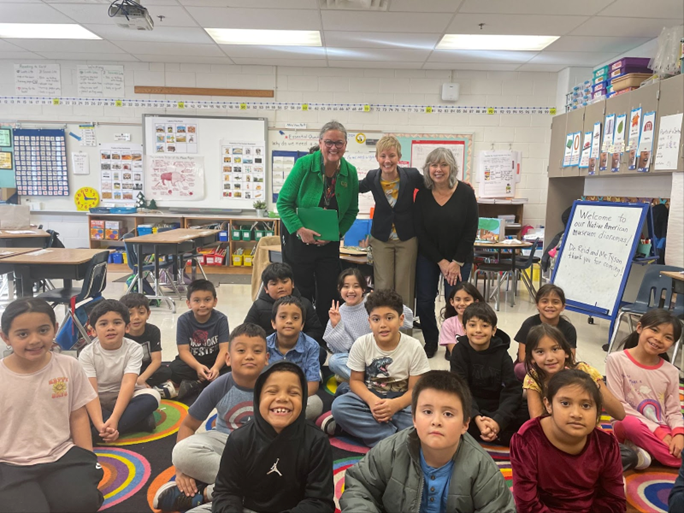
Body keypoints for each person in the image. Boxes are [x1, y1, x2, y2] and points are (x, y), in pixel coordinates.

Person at [340, 370, 515, 513]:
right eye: (427, 411)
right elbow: (359, 487)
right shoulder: (390, 450)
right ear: (414, 418)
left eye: (448, 414)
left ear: (465, 424)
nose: (436, 421)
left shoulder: (482, 468)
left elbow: (500, 509)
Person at [0, 298, 104, 513]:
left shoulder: (69, 365)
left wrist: (86, 458)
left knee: (81, 503)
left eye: (43, 330)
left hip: (61, 455)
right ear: (5, 337)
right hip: (9, 463)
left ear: (55, 329)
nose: (34, 340)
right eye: (22, 334)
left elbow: (77, 416)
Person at [153, 324, 269, 512]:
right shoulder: (220, 386)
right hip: (226, 444)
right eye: (241, 350)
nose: (249, 356)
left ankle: (206, 495)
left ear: (266, 359)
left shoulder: (274, 384)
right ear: (228, 359)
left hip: (263, 450)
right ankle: (249, 489)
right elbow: (188, 426)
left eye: (257, 351)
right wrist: (182, 470)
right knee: (181, 452)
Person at [202, 361, 335, 513]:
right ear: (258, 397)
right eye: (272, 391)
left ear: (304, 399)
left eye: (293, 393)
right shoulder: (239, 439)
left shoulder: (316, 442)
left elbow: (319, 502)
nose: (282, 398)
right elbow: (226, 492)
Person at [277, 120, 359, 327]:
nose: (334, 147)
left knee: (329, 289)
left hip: (328, 243)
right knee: (300, 289)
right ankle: (299, 331)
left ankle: (325, 333)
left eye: (339, 143)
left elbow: (351, 211)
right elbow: (283, 203)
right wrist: (300, 230)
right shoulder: (304, 165)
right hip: (298, 240)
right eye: (329, 142)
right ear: (320, 142)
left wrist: (336, 233)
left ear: (346, 144)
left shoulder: (350, 172)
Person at [510, 370, 626, 512]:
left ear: (598, 410)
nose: (576, 414)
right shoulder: (527, 440)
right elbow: (528, 504)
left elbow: (614, 501)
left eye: (586, 406)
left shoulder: (606, 445)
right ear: (548, 404)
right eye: (565, 403)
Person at [330, 289, 431, 447]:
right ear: (369, 322)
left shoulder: (414, 347)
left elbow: (415, 390)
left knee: (427, 418)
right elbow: (355, 381)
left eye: (389, 318)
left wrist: (395, 405)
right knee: (339, 407)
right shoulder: (362, 344)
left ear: (401, 319)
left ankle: (373, 432)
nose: (383, 325)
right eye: (376, 319)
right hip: (370, 401)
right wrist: (373, 402)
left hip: (401, 404)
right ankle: (391, 437)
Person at [414, 147, 478, 358]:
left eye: (443, 164)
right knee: (424, 300)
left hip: (459, 259)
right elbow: (420, 232)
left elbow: (470, 230)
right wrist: (441, 261)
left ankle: (454, 341)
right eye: (433, 165)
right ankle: (432, 339)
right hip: (429, 257)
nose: (438, 169)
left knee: (457, 301)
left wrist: (456, 261)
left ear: (452, 168)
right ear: (428, 169)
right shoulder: (422, 194)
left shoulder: (466, 193)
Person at [606, 308, 684, 469]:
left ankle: (641, 452)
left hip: (662, 427)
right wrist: (659, 433)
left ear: (673, 344)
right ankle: (674, 459)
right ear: (639, 327)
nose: (658, 339)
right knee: (630, 424)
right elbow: (619, 406)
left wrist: (677, 434)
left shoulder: (671, 372)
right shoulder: (616, 360)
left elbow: (674, 411)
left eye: (667, 337)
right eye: (654, 330)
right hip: (628, 425)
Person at [80, 299, 161, 440]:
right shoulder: (87, 354)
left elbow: (128, 384)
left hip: (124, 396)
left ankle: (97, 434)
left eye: (117, 323)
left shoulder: (134, 349)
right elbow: (90, 392)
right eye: (103, 324)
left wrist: (116, 418)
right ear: (92, 331)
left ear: (127, 327)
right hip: (97, 400)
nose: (111, 328)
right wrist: (99, 423)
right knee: (75, 408)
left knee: (153, 397)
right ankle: (139, 423)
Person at [358, 135, 424, 307]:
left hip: (407, 238)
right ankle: (382, 328)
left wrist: (457, 186)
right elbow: (355, 187)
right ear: (377, 157)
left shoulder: (411, 175)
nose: (387, 160)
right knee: (383, 285)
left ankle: (405, 330)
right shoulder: (373, 177)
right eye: (383, 156)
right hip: (381, 239)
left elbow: (433, 185)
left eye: (392, 156)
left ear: (399, 157)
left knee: (404, 285)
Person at [450, 303, 527, 445]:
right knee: (449, 411)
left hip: (496, 407)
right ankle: (498, 436)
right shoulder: (459, 351)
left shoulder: (502, 354)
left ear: (493, 330)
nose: (478, 330)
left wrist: (498, 420)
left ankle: (491, 432)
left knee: (526, 412)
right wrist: (476, 417)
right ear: (464, 329)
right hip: (470, 405)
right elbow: (460, 388)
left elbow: (512, 389)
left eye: (485, 326)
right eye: (472, 325)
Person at [325, 268, 413, 381]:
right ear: (339, 289)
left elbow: (408, 320)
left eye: (356, 286)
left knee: (404, 355)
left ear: (363, 288)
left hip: (384, 353)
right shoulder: (338, 312)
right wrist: (336, 325)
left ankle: (361, 380)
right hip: (359, 360)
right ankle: (372, 380)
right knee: (334, 361)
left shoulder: (371, 302)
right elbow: (343, 350)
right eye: (346, 286)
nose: (351, 291)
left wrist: (384, 302)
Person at [523, 324, 624, 421]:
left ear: (566, 352)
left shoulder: (584, 371)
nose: (549, 358)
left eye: (555, 349)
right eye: (540, 352)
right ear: (532, 358)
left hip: (587, 431)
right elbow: (537, 422)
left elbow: (619, 414)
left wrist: (592, 384)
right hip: (553, 434)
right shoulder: (533, 378)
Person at [244, 262, 325, 357]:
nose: (280, 287)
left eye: (284, 282)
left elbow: (316, 331)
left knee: (320, 352)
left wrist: (298, 341)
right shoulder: (259, 306)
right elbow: (247, 330)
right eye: (274, 284)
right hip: (268, 350)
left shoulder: (304, 303)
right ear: (266, 288)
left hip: (298, 348)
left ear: (292, 284)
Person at [169, 279, 230, 400]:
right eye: (197, 300)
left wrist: (216, 367)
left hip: (215, 360)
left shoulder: (221, 319)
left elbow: (224, 348)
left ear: (215, 301)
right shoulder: (183, 320)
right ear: (189, 303)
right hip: (193, 362)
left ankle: (198, 382)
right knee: (174, 369)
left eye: (207, 300)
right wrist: (197, 367)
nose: (202, 305)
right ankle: (210, 382)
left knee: (234, 366)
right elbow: (183, 351)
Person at [266, 295, 324, 421]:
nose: (289, 321)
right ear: (273, 323)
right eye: (283, 317)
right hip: (269, 395)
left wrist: (292, 398)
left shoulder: (311, 345)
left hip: (297, 395)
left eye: (295, 318)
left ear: (302, 325)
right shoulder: (263, 345)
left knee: (315, 404)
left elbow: (313, 384)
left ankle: (278, 421)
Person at [514, 283, 577, 381]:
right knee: (520, 369)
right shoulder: (529, 324)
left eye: (555, 302)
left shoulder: (568, 329)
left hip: (557, 367)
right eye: (545, 301)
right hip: (533, 365)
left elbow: (570, 359)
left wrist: (554, 367)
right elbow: (523, 357)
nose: (550, 305)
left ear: (563, 306)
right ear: (537, 305)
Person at [119, 292, 174, 397]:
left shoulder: (153, 331)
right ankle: (147, 388)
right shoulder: (121, 333)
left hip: (145, 370)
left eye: (141, 312)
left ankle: (140, 387)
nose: (136, 317)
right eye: (130, 314)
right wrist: (133, 379)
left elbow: (156, 360)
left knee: (166, 371)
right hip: (127, 371)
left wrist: (141, 379)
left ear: (148, 314)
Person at [439, 282, 484, 361]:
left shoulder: (484, 321)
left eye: (467, 300)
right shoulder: (448, 324)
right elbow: (454, 353)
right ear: (452, 302)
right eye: (458, 299)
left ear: (476, 302)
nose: (462, 303)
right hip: (461, 362)